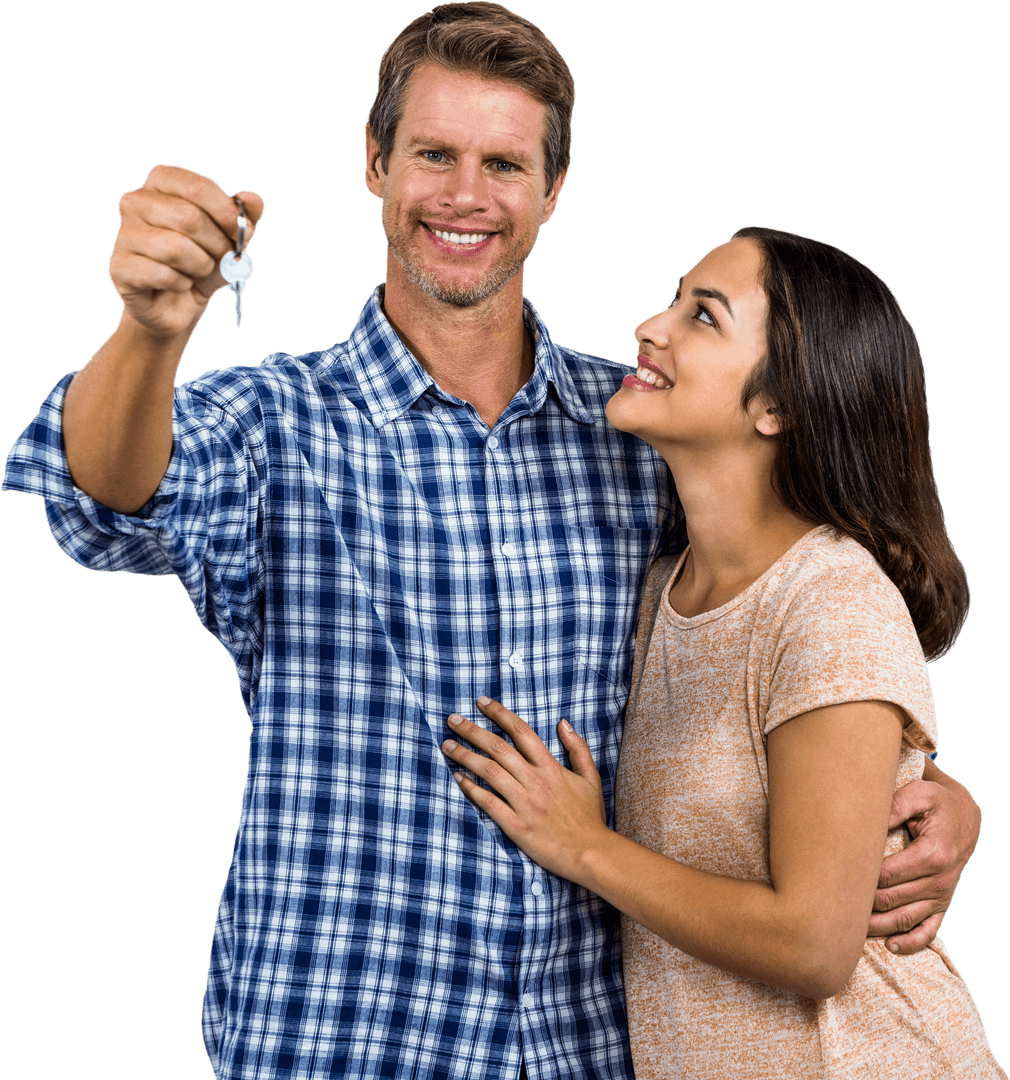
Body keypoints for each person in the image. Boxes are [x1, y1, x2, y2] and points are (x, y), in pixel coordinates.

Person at [0, 5, 982, 1078]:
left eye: (504, 163)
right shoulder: (274, 421)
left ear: (552, 190)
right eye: (433, 154)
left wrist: (928, 793)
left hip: (591, 1047)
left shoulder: (641, 427)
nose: (465, 195)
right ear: (375, 163)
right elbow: (105, 499)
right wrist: (149, 331)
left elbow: (781, 619)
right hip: (343, 1038)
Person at [441, 228, 1004, 1078]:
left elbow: (817, 944)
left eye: (702, 316)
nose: (649, 326)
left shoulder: (829, 599)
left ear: (777, 406)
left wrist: (586, 847)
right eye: (674, 299)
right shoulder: (663, 593)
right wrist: (940, 790)